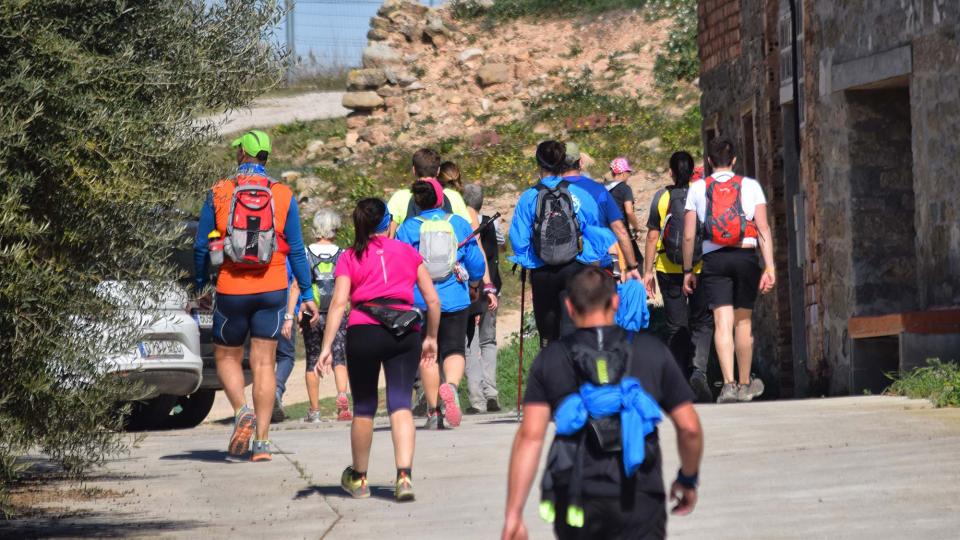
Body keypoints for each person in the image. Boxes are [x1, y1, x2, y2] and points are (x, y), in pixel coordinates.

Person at [502, 267, 703, 540]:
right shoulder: (651, 351)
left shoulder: (551, 359)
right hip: (640, 497)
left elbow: (530, 437)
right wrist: (687, 479)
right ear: (616, 302)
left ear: (570, 307)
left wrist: (514, 514)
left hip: (576, 497)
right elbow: (689, 428)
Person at [193, 130, 318, 462]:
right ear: (266, 157)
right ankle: (261, 442)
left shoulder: (220, 192)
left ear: (241, 155)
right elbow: (297, 252)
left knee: (227, 357)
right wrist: (306, 293)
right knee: (264, 363)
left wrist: (202, 283)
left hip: (232, 288)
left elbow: (202, 246)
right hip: (273, 287)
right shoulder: (283, 195)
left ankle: (240, 410)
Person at [316, 198, 441, 502]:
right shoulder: (408, 252)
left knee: (364, 407)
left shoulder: (349, 256)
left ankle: (359, 479)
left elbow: (338, 303)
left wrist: (326, 346)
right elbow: (433, 300)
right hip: (404, 331)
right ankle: (404, 477)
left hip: (364, 330)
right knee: (400, 403)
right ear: (388, 223)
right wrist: (431, 338)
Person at [682, 138, 776, 403]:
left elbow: (689, 235)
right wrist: (769, 266)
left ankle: (728, 385)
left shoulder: (698, 188)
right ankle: (746, 384)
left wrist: (688, 270)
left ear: (709, 161)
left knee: (722, 323)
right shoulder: (751, 186)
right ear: (734, 160)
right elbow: (763, 228)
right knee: (743, 321)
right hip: (745, 255)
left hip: (714, 260)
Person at [396, 179, 490, 429]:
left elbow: (401, 266)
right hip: (455, 299)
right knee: (455, 350)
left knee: (428, 355)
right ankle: (451, 386)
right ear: (441, 199)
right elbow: (476, 263)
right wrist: (475, 284)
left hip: (421, 301)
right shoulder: (458, 224)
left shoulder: (407, 228)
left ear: (417, 201)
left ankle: (433, 411)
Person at [508, 140, 616, 347]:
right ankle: (575, 372)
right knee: (573, 327)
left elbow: (519, 241)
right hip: (573, 267)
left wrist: (528, 261)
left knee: (548, 334)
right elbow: (594, 231)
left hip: (542, 271)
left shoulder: (529, 197)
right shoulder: (579, 195)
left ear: (538, 163)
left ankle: (552, 367)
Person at [642, 151, 714, 403]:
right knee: (703, 322)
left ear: (671, 172)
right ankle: (699, 372)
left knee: (676, 326)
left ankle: (678, 382)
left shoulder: (662, 197)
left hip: (667, 267)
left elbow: (652, 235)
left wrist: (647, 271)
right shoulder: (703, 193)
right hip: (699, 266)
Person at [560, 143, 642, 279]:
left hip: (560, 264)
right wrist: (632, 266)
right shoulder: (597, 189)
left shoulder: (546, 191)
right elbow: (619, 229)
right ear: (580, 163)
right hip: (595, 264)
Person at [301, 208, 351, 423]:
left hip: (311, 312)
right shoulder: (343, 253)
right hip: (337, 312)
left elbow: (299, 283)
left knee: (312, 359)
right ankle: (342, 398)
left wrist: (295, 312)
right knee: (339, 357)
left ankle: (315, 410)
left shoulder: (305, 252)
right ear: (335, 229)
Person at [462, 183, 503, 414]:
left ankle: (476, 399)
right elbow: (501, 246)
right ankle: (492, 394)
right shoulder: (492, 222)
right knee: (489, 341)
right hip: (493, 286)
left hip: (471, 289)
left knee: (471, 343)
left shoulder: (459, 223)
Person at [387, 149, 472, 236]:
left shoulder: (400, 197)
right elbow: (467, 232)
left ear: (414, 170)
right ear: (438, 170)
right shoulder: (453, 196)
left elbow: (389, 236)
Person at [272, 260, 300, 423]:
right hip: (283, 304)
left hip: (258, 303)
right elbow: (296, 284)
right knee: (286, 356)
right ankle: (276, 389)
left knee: (263, 357)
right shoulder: (288, 252)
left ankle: (263, 400)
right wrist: (291, 315)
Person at [605, 157, 644, 266]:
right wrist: (637, 228)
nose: (629, 175)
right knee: (637, 262)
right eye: (628, 172)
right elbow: (629, 211)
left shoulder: (603, 188)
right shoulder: (625, 188)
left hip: (607, 234)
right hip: (622, 232)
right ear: (622, 173)